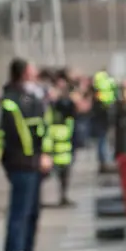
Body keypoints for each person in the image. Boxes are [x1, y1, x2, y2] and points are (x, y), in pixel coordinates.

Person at [0, 58, 51, 251]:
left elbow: (40, 125)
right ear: (23, 73)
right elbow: (21, 133)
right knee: (20, 211)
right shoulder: (13, 100)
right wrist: (36, 156)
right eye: (31, 69)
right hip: (22, 163)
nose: (35, 72)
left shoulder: (32, 96)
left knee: (31, 212)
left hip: (31, 162)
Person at [47, 73, 77, 207]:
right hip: (52, 140)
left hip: (66, 141)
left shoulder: (68, 102)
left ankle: (63, 196)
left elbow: (73, 117)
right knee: (47, 172)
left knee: (65, 172)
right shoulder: (49, 101)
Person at [90, 69, 117, 172]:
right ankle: (106, 162)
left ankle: (104, 162)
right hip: (106, 110)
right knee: (105, 139)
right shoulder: (109, 81)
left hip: (101, 112)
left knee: (102, 139)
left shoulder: (97, 85)